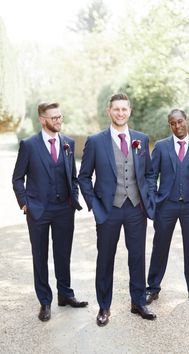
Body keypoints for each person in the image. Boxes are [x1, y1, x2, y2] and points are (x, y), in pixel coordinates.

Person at [78, 93, 156, 326]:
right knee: (105, 259)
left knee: (137, 257)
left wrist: (147, 198)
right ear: (108, 111)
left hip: (136, 209)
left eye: (124, 109)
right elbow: (83, 177)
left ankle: (138, 302)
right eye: (116, 109)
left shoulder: (141, 139)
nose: (120, 113)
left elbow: (150, 174)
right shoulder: (95, 141)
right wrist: (96, 206)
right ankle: (104, 307)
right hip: (108, 210)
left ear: (129, 111)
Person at [12, 102, 88, 322]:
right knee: (40, 256)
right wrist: (25, 203)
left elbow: (72, 176)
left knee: (63, 254)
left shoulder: (68, 143)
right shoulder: (29, 145)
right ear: (42, 119)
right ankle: (45, 301)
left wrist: (73, 198)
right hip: (38, 210)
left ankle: (65, 295)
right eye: (54, 118)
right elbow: (17, 178)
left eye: (60, 117)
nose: (58, 121)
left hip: (64, 209)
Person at [146, 108, 189, 307]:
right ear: (170, 125)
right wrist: (154, 199)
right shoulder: (161, 146)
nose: (177, 126)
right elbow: (151, 175)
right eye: (173, 123)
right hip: (166, 205)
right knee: (160, 247)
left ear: (186, 120)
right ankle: (153, 288)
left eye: (180, 121)